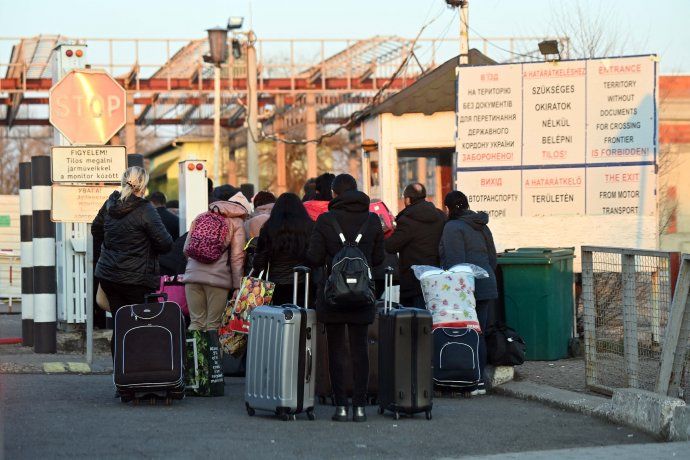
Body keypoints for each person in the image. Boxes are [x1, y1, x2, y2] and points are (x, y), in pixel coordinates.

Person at [307, 173, 384, 422]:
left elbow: (315, 257)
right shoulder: (372, 220)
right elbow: (380, 258)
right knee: (360, 349)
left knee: (336, 350)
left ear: (333, 193)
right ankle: (360, 408)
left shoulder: (326, 220)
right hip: (363, 295)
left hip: (334, 295)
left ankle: (341, 407)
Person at [92, 166, 173, 356]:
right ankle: (137, 374)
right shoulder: (145, 209)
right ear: (143, 185)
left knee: (120, 323)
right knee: (140, 325)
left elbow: (96, 230)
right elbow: (166, 243)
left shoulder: (110, 204)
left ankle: (120, 376)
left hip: (110, 277)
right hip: (137, 279)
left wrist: (112, 246)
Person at [439, 190, 498, 396]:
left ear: (448, 208)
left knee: (470, 334)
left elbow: (456, 264)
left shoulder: (452, 227)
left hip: (467, 288)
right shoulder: (481, 224)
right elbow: (492, 258)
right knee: (479, 332)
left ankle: (474, 381)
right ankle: (480, 381)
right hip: (487, 283)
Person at [183, 191, 250, 332]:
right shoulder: (237, 222)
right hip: (217, 280)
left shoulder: (201, 217)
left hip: (192, 277)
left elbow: (186, 248)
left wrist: (194, 268)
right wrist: (238, 285)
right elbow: (237, 257)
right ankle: (212, 354)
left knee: (196, 323)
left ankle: (196, 354)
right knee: (213, 325)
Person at [384, 183, 445, 308]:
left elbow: (390, 246)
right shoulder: (440, 216)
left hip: (414, 281)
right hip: (436, 278)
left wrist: (386, 231)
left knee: (414, 321)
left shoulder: (407, 220)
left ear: (408, 199)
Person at [252, 193, 313, 305]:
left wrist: (257, 269)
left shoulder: (269, 227)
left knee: (279, 317)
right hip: (304, 281)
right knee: (302, 316)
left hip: (276, 283)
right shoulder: (309, 226)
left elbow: (260, 260)